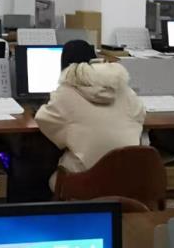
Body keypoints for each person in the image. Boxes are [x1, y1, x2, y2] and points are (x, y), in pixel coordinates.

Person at [35, 40, 146, 191]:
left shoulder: (65, 93)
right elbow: (140, 115)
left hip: (85, 181)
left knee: (41, 163)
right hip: (128, 178)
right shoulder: (122, 89)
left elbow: (43, 119)